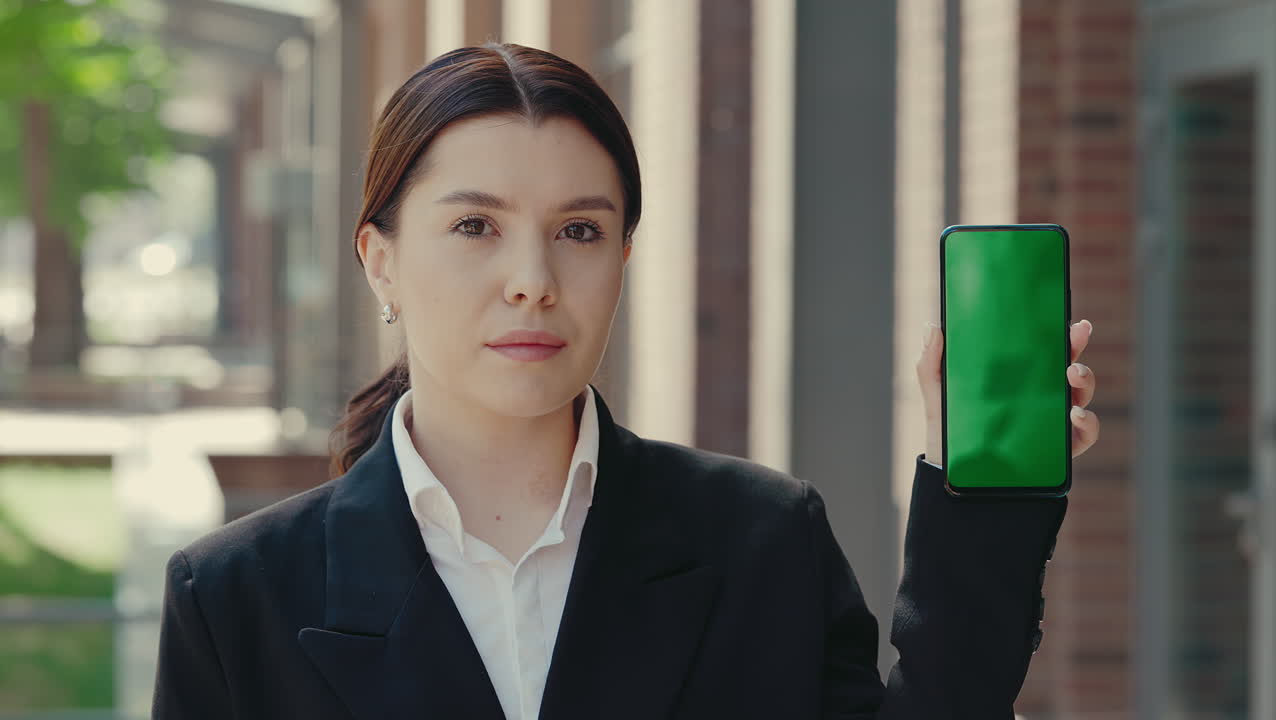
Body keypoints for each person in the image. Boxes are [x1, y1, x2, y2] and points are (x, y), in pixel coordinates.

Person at [151, 43, 1100, 720]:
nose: (533, 278)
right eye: (475, 226)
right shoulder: (237, 597)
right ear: (380, 260)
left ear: (623, 259)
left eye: (580, 230)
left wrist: (980, 491)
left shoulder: (761, 539)